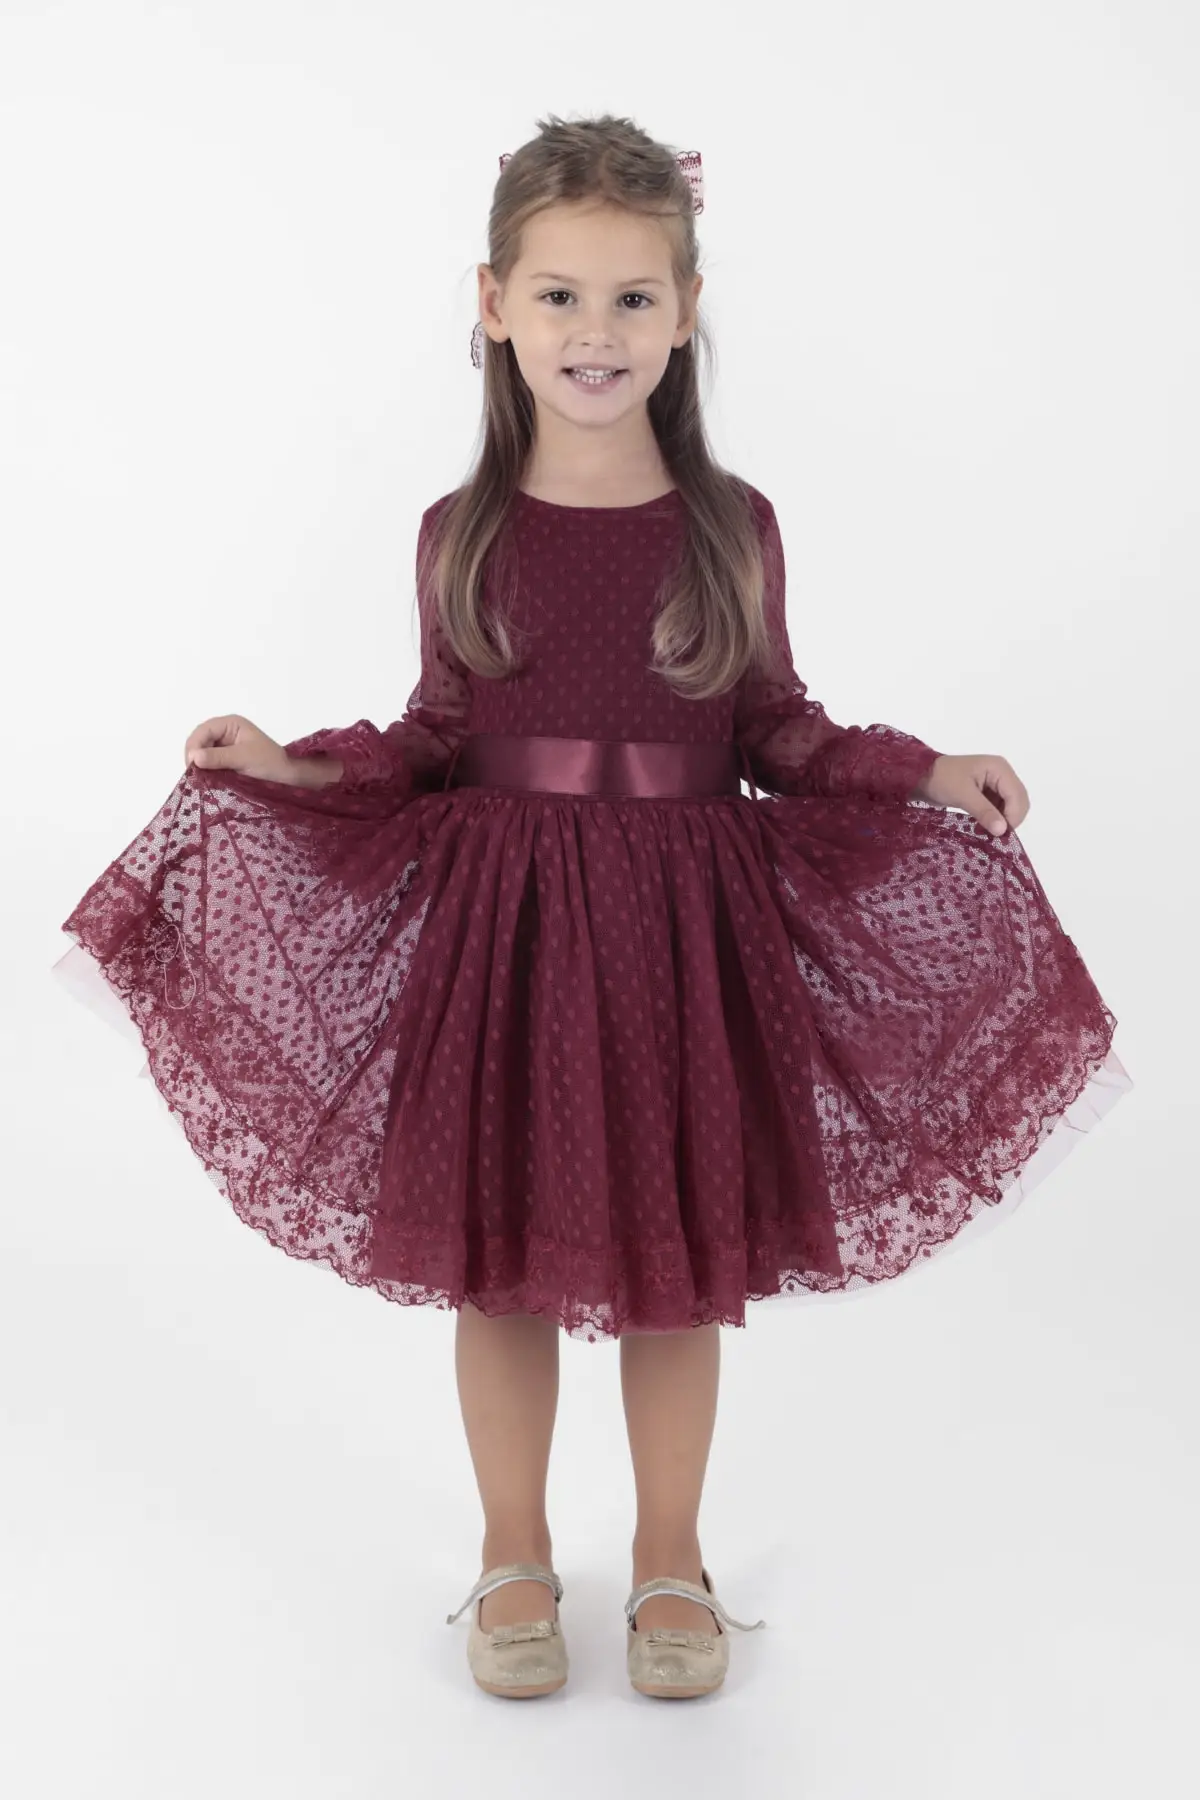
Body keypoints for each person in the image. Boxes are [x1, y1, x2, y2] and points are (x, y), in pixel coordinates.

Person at [58, 111, 1131, 1701]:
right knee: (496, 1259)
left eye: (634, 298)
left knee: (675, 1266)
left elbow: (779, 730)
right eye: (560, 296)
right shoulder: (463, 532)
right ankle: (513, 1552)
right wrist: (292, 768)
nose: (596, 332)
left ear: (687, 312)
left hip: (680, 952)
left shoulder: (730, 526)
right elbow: (434, 736)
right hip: (506, 948)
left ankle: (670, 1560)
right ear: (494, 303)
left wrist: (918, 771)